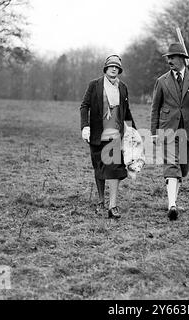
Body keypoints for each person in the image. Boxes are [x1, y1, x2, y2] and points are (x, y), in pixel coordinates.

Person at [150, 42, 189, 221]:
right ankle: (172, 205)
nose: (169, 60)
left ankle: (173, 199)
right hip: (168, 128)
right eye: (168, 57)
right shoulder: (161, 81)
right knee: (171, 166)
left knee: (183, 169)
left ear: (183, 59)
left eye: (173, 57)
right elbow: (155, 108)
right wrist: (154, 132)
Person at [80, 55, 136, 219]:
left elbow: (126, 110)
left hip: (115, 134)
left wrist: (133, 129)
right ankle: (100, 200)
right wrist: (85, 126)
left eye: (116, 67)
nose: (113, 69)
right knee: (99, 168)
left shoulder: (123, 87)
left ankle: (113, 206)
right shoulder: (94, 85)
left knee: (113, 168)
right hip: (97, 133)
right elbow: (84, 106)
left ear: (119, 70)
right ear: (105, 69)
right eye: (111, 66)